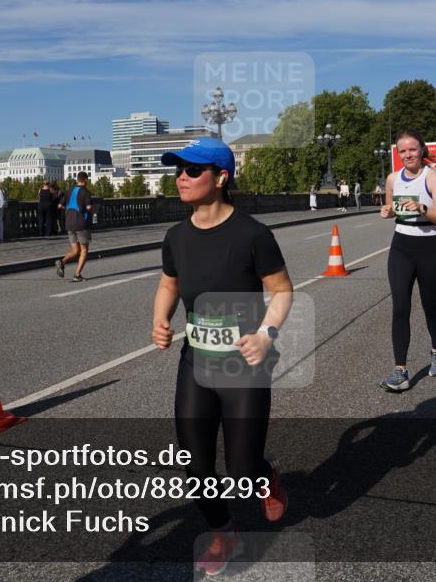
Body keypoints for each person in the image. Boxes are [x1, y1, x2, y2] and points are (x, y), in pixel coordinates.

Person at [151, 137, 292, 575]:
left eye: (193, 170)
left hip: (244, 366)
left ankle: (263, 473)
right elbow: (169, 284)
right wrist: (161, 320)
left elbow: (283, 291)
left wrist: (267, 335)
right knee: (193, 465)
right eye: (179, 170)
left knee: (242, 472)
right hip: (196, 362)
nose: (182, 178)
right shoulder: (176, 237)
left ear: (221, 177)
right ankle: (222, 530)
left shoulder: (253, 235)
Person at [378, 130, 436, 392]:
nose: (407, 155)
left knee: (430, 306)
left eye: (412, 150)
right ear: (397, 154)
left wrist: (421, 208)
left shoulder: (432, 177)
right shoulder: (392, 179)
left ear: (422, 150)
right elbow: (391, 210)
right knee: (400, 307)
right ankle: (400, 371)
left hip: (431, 247)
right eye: (402, 151)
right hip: (402, 247)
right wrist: (386, 212)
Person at [56, 172, 93, 282]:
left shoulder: (69, 191)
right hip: (81, 223)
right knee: (84, 249)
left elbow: (59, 205)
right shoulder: (86, 192)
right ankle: (77, 275)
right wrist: (93, 210)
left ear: (77, 179)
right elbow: (89, 207)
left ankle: (62, 262)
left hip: (69, 223)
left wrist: (70, 211)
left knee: (75, 250)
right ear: (85, 180)